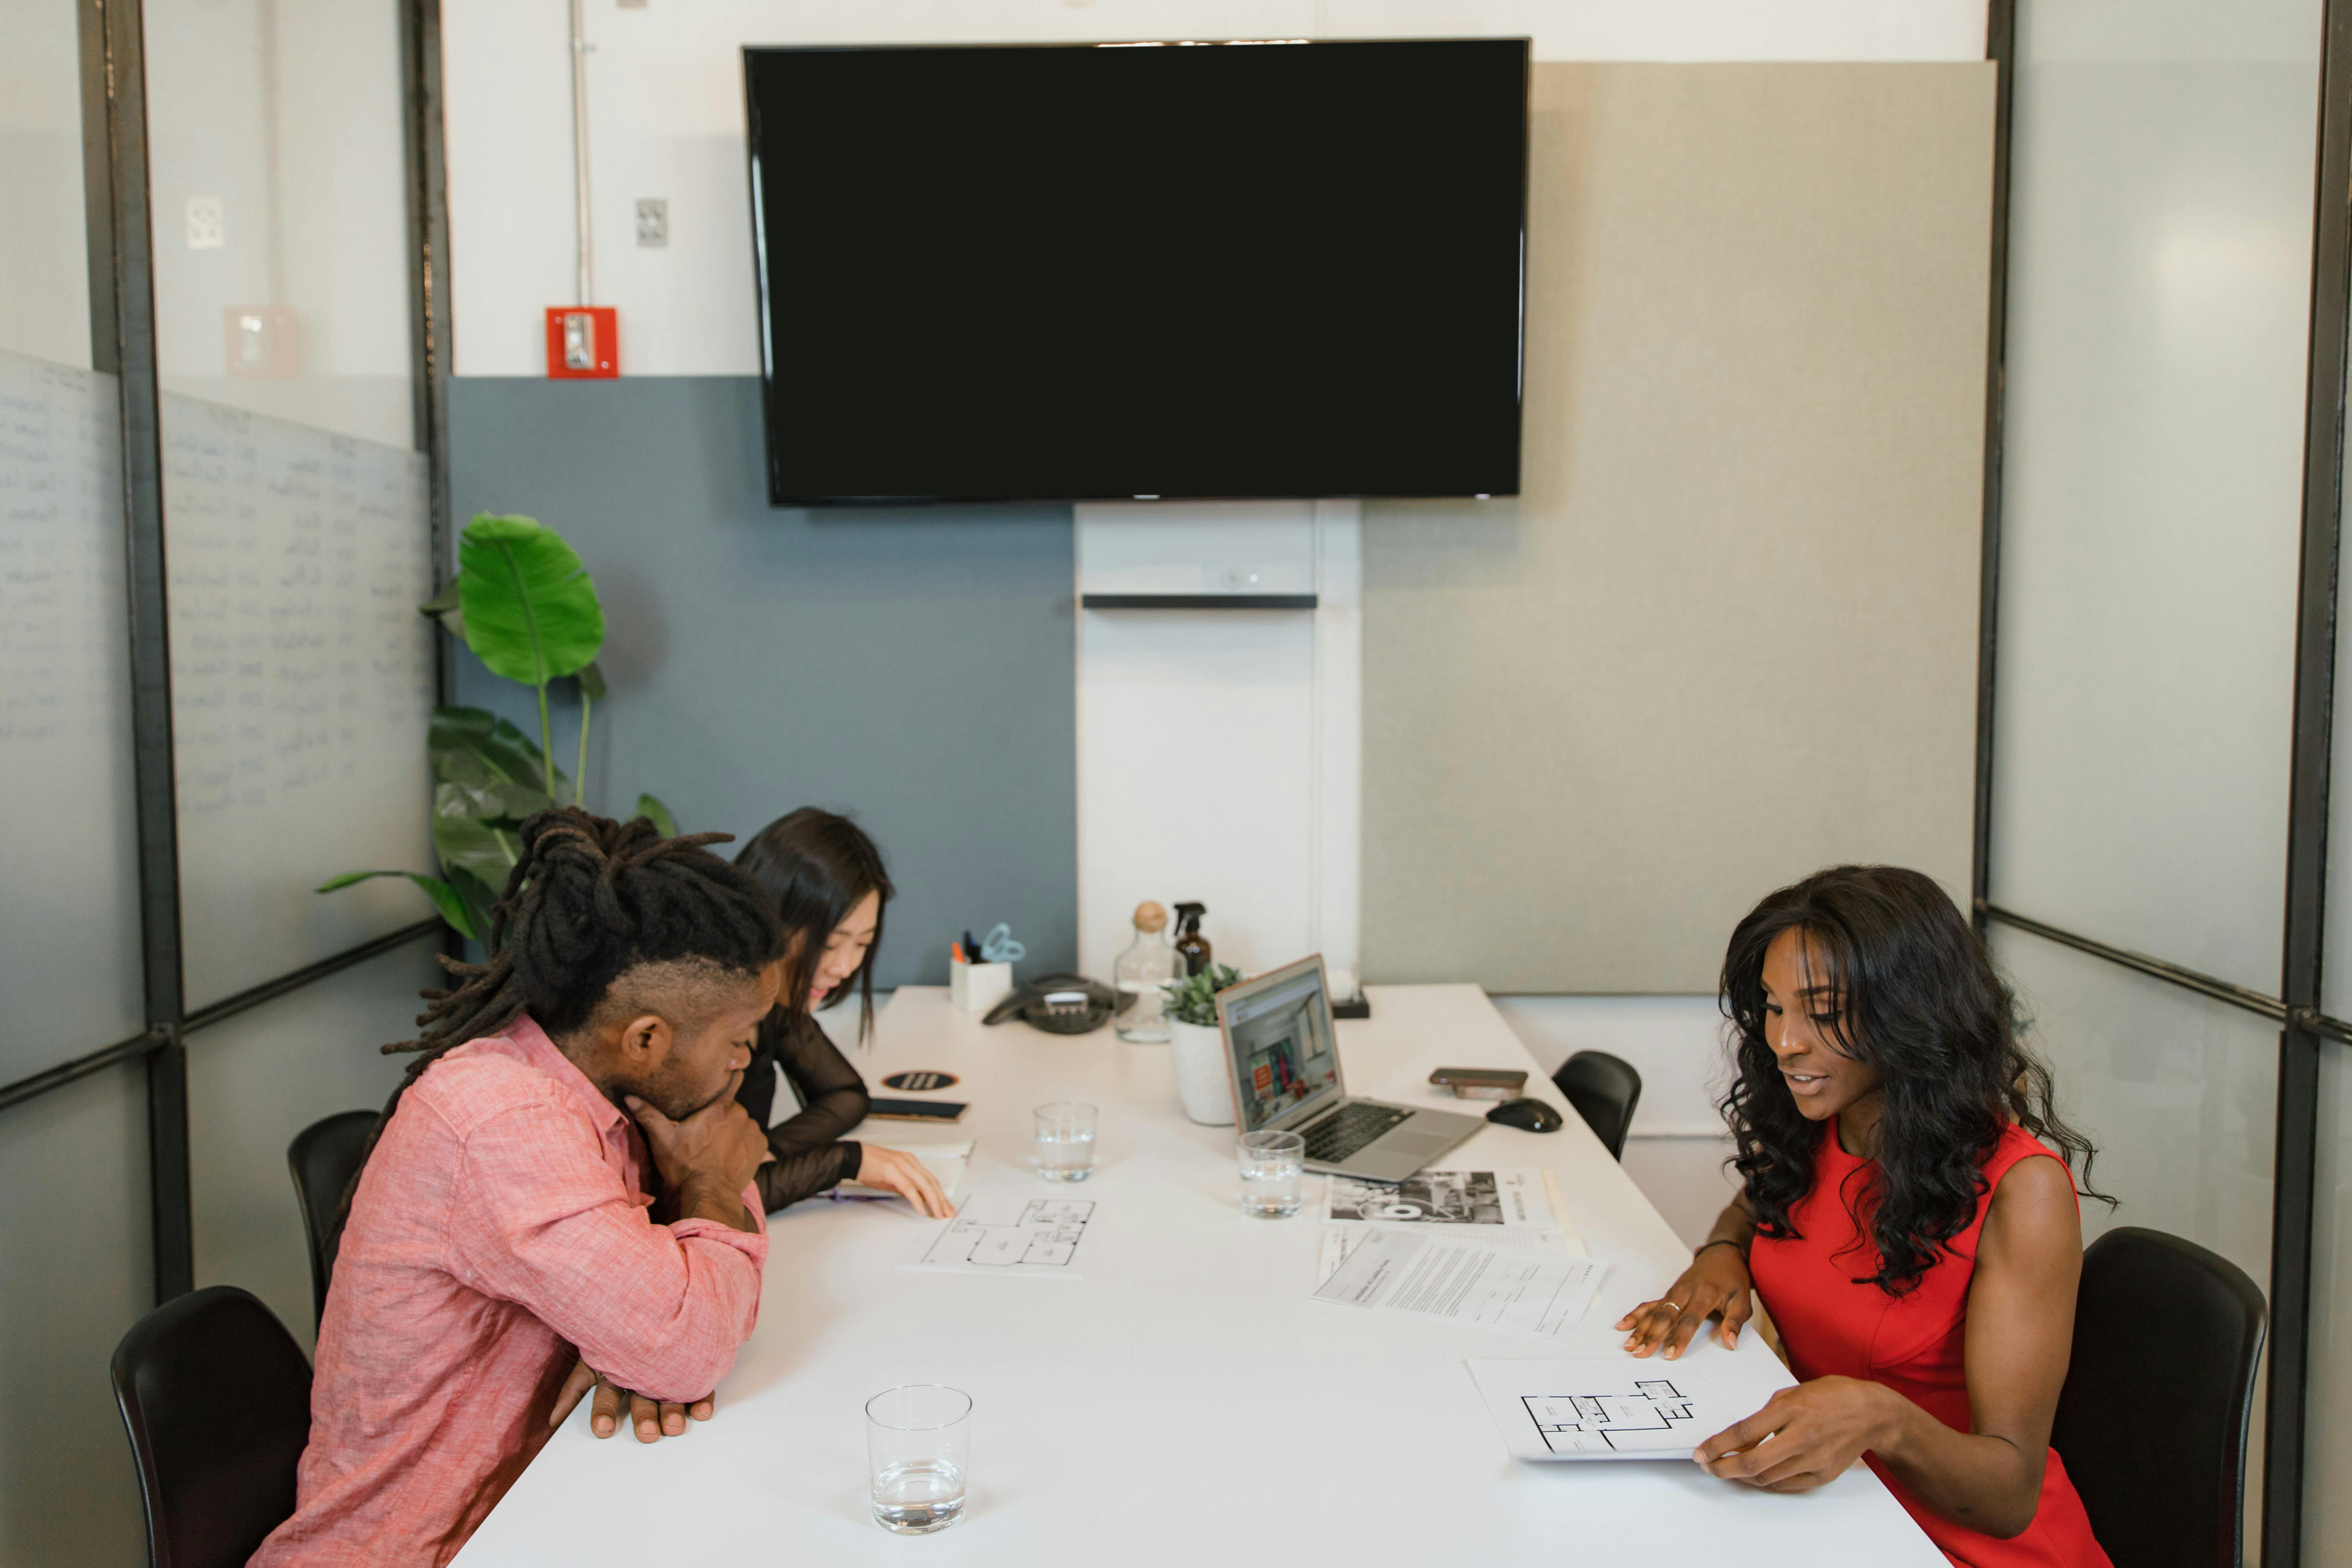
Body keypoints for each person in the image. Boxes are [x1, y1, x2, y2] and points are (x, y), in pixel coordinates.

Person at [253, 809, 788, 1568]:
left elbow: (680, 1316)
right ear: (646, 1039)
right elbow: (689, 1341)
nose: (745, 1061)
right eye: (739, 1038)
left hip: (537, 1510)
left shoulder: (600, 1093)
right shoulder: (503, 1119)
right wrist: (711, 1179)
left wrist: (638, 1329)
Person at [1616, 865, 2113, 1568]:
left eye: (1821, 1011)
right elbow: (1758, 1203)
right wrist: (1721, 1251)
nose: (1785, 1041)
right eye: (1772, 1006)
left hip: (1961, 1546)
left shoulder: (2018, 1189)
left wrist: (1884, 1417)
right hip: (1835, 1511)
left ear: (1909, 1013)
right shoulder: (1827, 1121)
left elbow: (2009, 1494)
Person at [732, 807, 952, 1217]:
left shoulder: (777, 1002)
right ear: (768, 918)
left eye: (862, 944)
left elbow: (845, 1096)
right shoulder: (706, 1018)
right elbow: (719, 1199)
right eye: (831, 944)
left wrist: (766, 1153)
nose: (845, 966)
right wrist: (847, 1161)